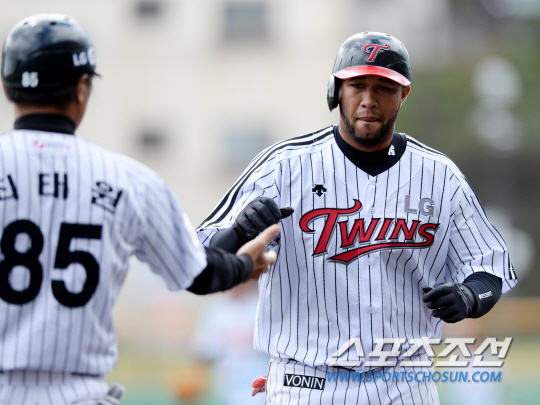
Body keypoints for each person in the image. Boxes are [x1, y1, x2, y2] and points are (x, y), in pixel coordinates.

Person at [197, 32, 518, 404]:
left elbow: (490, 267)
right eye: (357, 85)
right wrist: (239, 231)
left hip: (404, 385)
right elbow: (201, 261)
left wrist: (469, 295)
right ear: (336, 91)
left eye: (384, 87)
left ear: (403, 94)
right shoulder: (283, 168)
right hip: (307, 382)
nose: (369, 99)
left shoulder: (439, 176)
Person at [0, 13, 279, 405]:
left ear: (8, 87)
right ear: (82, 88)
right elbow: (199, 273)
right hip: (78, 394)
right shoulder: (128, 179)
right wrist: (245, 264)